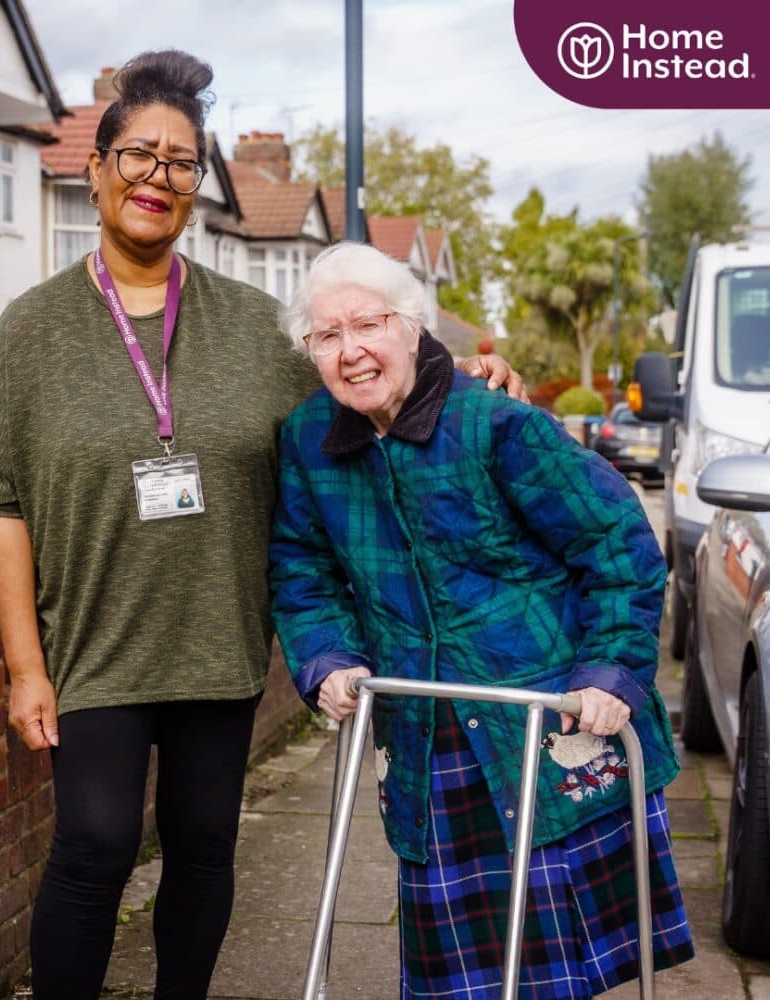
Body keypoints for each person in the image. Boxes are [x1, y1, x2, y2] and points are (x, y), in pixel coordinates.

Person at [0, 51, 525, 1000]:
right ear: (97, 168)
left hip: (221, 645)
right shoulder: (31, 329)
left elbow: (367, 383)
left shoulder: (259, 328)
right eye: (139, 154)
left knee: (202, 846)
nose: (159, 176)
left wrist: (468, 380)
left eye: (181, 163)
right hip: (93, 648)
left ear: (196, 189)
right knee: (94, 845)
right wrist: (25, 667)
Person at [269, 242, 694, 999]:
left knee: (563, 969)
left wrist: (611, 672)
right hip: (428, 737)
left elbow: (620, 547)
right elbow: (303, 568)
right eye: (327, 336)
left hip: (547, 723)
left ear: (412, 327)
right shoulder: (308, 441)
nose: (352, 351)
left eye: (368, 325)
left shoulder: (498, 426)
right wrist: (327, 659)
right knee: (460, 980)